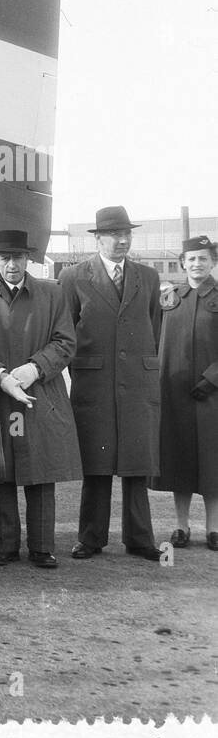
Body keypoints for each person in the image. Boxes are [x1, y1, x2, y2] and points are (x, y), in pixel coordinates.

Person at [0, 230, 82, 568]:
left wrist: (34, 369)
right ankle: (2, 546)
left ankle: (42, 547)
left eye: (18, 257)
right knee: (0, 471)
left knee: (41, 471)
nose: (12, 264)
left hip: (41, 393)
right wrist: (0, 376)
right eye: (5, 258)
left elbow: (65, 341)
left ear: (28, 259)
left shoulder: (52, 293)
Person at [58, 205, 163, 562]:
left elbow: (153, 326)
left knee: (137, 463)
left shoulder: (148, 277)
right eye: (114, 234)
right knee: (96, 466)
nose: (122, 240)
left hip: (137, 382)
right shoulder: (73, 277)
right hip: (94, 383)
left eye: (126, 234)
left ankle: (140, 538)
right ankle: (90, 538)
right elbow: (66, 331)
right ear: (98, 238)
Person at [152, 235, 218, 551]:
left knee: (211, 463)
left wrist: (213, 379)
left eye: (203, 258)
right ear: (182, 263)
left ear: (213, 262)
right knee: (180, 461)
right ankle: (181, 527)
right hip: (175, 395)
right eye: (191, 259)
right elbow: (154, 342)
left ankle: (214, 529)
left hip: (212, 396)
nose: (197, 264)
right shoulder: (169, 299)